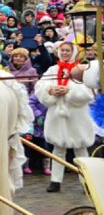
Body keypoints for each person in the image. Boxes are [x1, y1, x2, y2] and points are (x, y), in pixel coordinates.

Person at [35, 41, 94, 193]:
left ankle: (87, 182)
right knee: (58, 148)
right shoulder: (53, 69)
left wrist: (68, 91)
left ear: (73, 52)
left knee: (81, 149)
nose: (65, 53)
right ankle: (55, 181)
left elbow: (89, 92)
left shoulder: (82, 69)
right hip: (57, 115)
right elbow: (40, 86)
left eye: (68, 50)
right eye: (63, 50)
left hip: (77, 115)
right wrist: (50, 90)